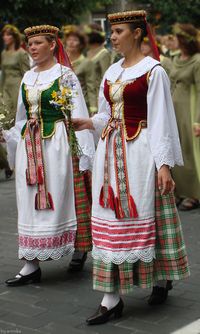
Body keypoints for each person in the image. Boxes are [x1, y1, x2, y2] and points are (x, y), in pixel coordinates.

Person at [72, 10, 190, 325]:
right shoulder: (111, 72)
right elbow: (106, 114)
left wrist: (164, 165)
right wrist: (88, 122)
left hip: (140, 153)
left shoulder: (154, 71)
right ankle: (111, 298)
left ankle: (161, 277)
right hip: (110, 155)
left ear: (137, 33)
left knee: (146, 214)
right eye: (112, 31)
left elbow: (163, 120)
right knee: (110, 219)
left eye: (119, 31)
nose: (113, 36)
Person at [3, 25, 95, 286]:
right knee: (28, 197)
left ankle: (79, 247)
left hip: (57, 144)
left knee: (64, 196)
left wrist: (85, 153)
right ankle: (31, 263)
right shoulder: (27, 77)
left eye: (37, 43)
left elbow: (77, 113)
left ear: (52, 45)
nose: (31, 47)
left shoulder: (65, 75)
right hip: (30, 148)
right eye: (29, 43)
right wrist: (9, 135)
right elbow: (22, 118)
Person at [170, 23, 200, 210]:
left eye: (177, 37)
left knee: (190, 152)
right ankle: (180, 191)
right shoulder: (175, 58)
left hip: (189, 112)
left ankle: (194, 193)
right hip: (174, 110)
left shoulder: (197, 61)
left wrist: (197, 119)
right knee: (177, 150)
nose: (173, 40)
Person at [63, 25, 97, 115]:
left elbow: (91, 87)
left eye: (75, 40)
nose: (71, 43)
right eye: (69, 40)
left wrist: (93, 108)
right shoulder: (61, 62)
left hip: (82, 105)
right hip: (64, 106)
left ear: (81, 44)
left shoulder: (87, 63)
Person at [85, 23, 111, 101]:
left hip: (98, 97)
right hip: (87, 96)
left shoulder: (104, 53)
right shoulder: (87, 53)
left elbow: (106, 79)